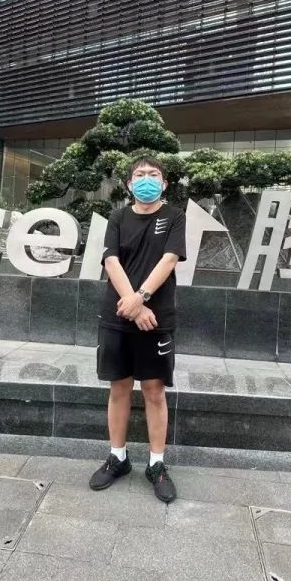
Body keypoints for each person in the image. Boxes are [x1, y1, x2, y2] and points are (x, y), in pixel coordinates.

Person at [89, 156, 187, 503]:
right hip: (118, 314)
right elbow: (111, 261)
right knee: (119, 387)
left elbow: (169, 260)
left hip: (156, 317)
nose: (147, 179)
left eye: (153, 174)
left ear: (164, 183)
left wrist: (141, 298)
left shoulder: (174, 216)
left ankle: (156, 464)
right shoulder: (118, 217)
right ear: (130, 184)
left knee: (154, 390)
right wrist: (133, 304)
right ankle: (118, 457)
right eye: (140, 175)